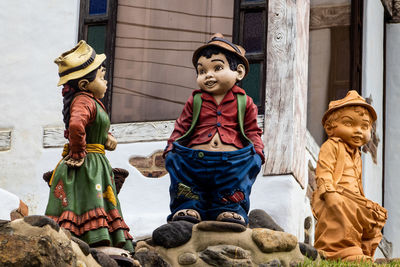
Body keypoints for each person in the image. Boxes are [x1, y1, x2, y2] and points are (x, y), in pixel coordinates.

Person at [164, 33, 264, 226]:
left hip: (232, 161)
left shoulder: (245, 102)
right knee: (187, 182)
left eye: (217, 68)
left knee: (233, 185)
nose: (208, 75)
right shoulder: (195, 100)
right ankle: (189, 207)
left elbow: (252, 131)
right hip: (195, 158)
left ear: (239, 72)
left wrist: (258, 153)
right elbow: (182, 126)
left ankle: (229, 210)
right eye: (201, 71)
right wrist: (170, 149)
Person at [45, 40, 133, 252]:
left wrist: (106, 137)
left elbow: (92, 125)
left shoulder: (91, 102)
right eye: (102, 77)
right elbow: (76, 124)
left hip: (96, 160)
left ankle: (97, 239)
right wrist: (78, 151)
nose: (106, 81)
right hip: (88, 163)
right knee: (87, 199)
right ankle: (93, 239)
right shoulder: (84, 100)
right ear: (84, 85)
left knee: (94, 198)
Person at [312, 90, 387, 261]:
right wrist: (329, 192)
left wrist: (364, 203)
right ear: (330, 127)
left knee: (376, 218)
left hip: (354, 198)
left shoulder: (357, 155)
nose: (358, 131)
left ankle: (362, 251)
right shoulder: (331, 146)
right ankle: (339, 251)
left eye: (364, 126)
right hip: (336, 193)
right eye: (349, 124)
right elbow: (324, 171)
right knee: (344, 211)